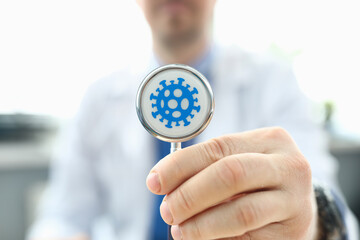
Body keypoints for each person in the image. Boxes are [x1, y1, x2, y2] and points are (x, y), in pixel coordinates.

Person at [28, 0, 359, 239]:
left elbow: (331, 207)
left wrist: (310, 222)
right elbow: (61, 216)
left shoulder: (275, 81)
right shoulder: (97, 97)